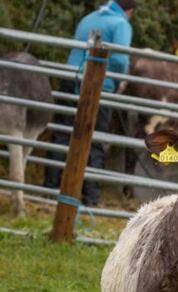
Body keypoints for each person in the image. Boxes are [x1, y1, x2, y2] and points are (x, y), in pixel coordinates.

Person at [43, 0, 136, 206]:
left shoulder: (89, 18)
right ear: (130, 11)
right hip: (98, 85)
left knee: (62, 133)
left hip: (69, 79)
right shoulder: (121, 24)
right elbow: (120, 59)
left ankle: (50, 188)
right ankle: (90, 196)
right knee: (94, 138)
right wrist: (119, 80)